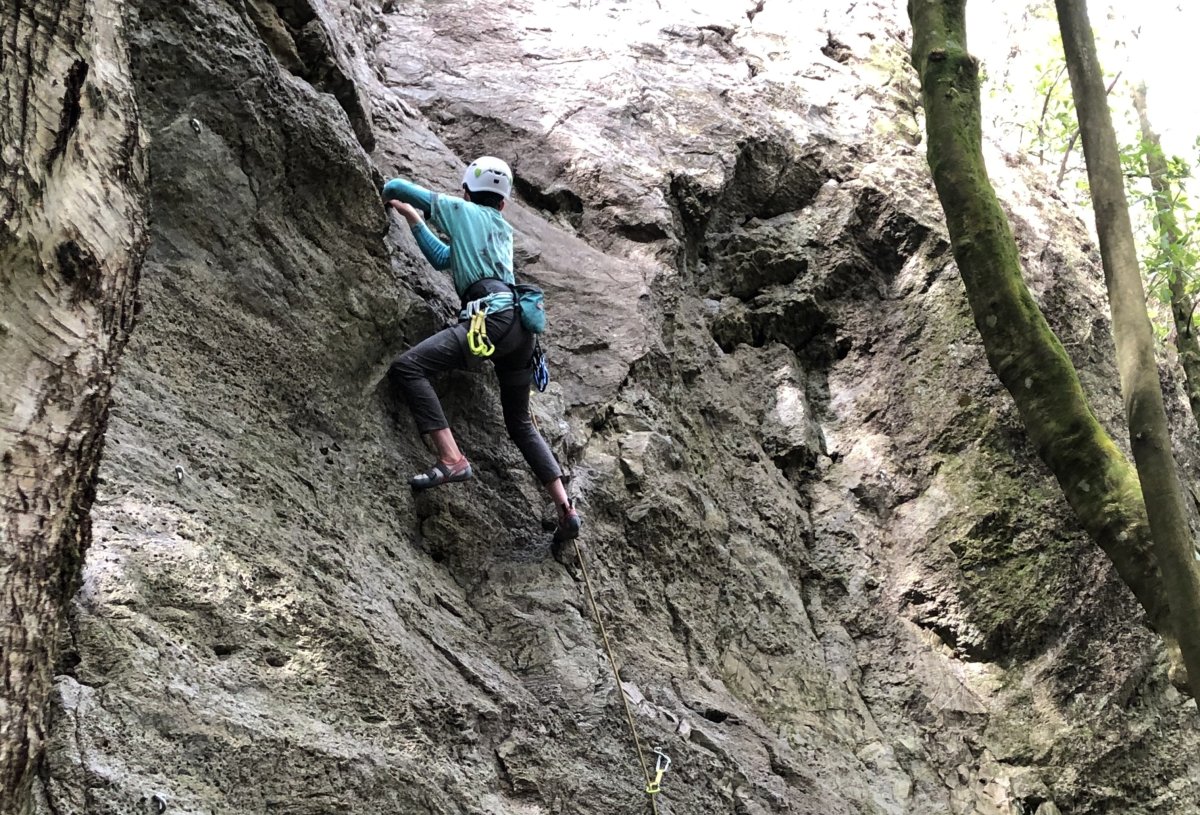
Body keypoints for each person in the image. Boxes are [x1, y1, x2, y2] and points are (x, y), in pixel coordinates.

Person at [382, 156, 581, 544]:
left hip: (490, 319)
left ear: (466, 191)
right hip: (520, 330)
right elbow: (445, 259)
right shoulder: (501, 230)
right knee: (520, 424)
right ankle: (565, 508)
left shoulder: (460, 209)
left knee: (409, 367)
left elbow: (394, 187)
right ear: (503, 203)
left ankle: (452, 459)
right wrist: (414, 220)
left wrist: (405, 202)